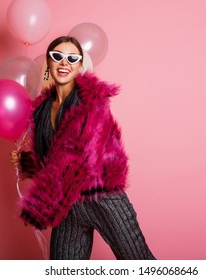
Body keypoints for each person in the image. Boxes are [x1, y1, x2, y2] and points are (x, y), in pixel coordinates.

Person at [10, 36, 155, 260]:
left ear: (79, 65)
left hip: (102, 199)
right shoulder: (41, 109)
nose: (64, 62)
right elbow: (49, 160)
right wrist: (27, 163)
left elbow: (78, 156)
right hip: (68, 208)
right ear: (48, 63)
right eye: (57, 57)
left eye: (72, 58)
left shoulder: (91, 101)